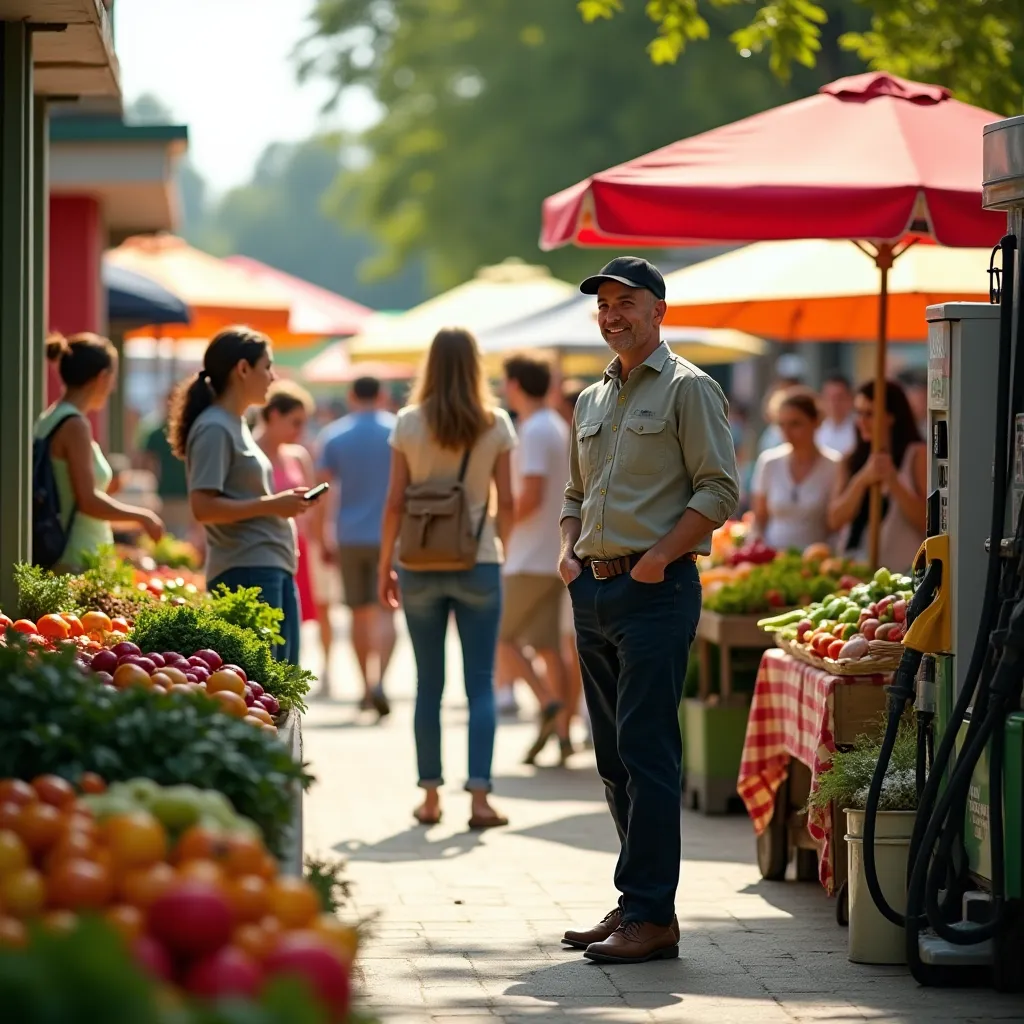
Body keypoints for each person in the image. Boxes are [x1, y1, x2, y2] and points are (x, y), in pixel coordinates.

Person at [559, 257, 739, 965]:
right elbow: (575, 494)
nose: (612, 314)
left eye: (626, 302)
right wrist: (567, 554)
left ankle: (652, 915)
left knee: (648, 753)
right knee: (612, 759)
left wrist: (659, 559)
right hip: (593, 590)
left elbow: (719, 490)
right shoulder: (591, 399)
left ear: (659, 309)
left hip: (654, 590)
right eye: (603, 304)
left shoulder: (691, 389)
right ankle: (639, 901)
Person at [378, 328, 515, 830]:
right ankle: (480, 800)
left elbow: (395, 500)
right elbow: (510, 502)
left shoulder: (408, 423)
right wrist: (503, 550)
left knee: (427, 684)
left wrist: (384, 565)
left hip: (417, 564)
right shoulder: (496, 423)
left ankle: (431, 798)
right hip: (479, 560)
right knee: (480, 683)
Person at [168, 326, 323, 666]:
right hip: (248, 569)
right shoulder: (214, 427)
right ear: (242, 369)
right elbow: (203, 506)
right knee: (263, 682)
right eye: (267, 366)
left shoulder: (234, 424)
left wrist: (279, 504)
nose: (273, 376)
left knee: (279, 683)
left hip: (267, 565)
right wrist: (274, 504)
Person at [497, 354, 573, 766]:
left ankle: (548, 704)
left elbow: (531, 494)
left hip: (529, 554)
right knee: (546, 646)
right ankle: (561, 733)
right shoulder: (554, 424)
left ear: (514, 384)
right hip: (551, 552)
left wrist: (498, 525)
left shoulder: (536, 428)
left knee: (500, 636)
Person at [36, 333, 165, 571]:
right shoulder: (75, 425)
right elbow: (87, 502)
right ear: (102, 377)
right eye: (113, 377)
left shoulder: (50, 419)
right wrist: (143, 516)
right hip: (77, 557)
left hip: (70, 552)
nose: (114, 387)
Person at [316, 376, 397, 715]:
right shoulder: (397, 431)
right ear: (381, 394)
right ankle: (382, 683)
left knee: (358, 612)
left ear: (351, 396)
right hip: (391, 534)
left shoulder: (334, 435)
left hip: (349, 535)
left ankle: (365, 687)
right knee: (388, 611)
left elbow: (320, 492)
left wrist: (323, 536)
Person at [256, 382, 335, 675]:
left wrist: (321, 540)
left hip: (297, 544)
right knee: (274, 620)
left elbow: (315, 507)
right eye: (296, 422)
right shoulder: (251, 453)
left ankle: (315, 671)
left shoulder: (298, 454)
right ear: (274, 414)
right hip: (264, 546)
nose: (300, 430)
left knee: (302, 615)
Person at [827, 379, 927, 573]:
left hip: (902, 574)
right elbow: (834, 519)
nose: (861, 421)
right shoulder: (851, 460)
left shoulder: (917, 456)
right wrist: (862, 479)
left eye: (870, 414)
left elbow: (926, 522)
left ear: (891, 416)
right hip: (855, 571)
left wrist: (893, 481)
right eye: (859, 412)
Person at [750, 387, 843, 552]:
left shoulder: (835, 465)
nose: (786, 432)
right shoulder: (769, 461)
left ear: (815, 422)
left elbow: (835, 524)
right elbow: (759, 518)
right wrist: (756, 545)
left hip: (815, 562)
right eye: (781, 424)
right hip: (771, 559)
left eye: (795, 424)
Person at [140, 395, 193, 541]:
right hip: (165, 496)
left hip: (184, 496)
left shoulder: (188, 431)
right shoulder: (157, 434)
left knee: (177, 540)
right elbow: (148, 465)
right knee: (169, 539)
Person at [816, 372, 858, 457]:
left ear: (850, 398)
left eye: (839, 398)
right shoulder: (816, 430)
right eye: (829, 398)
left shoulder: (860, 427)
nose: (834, 404)